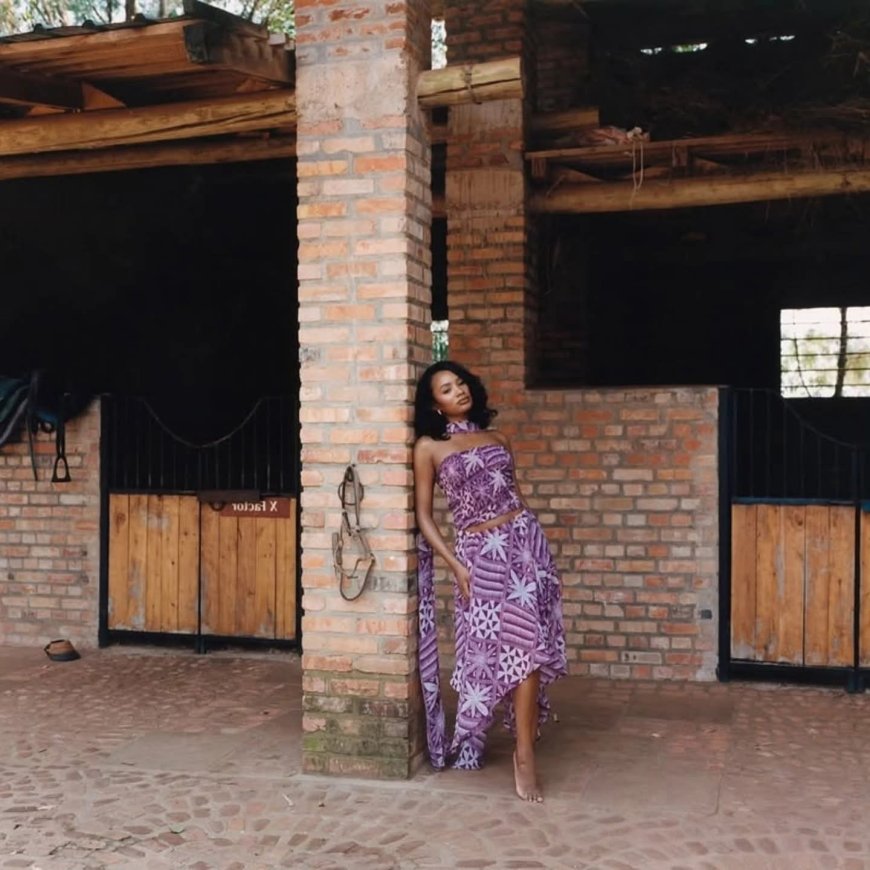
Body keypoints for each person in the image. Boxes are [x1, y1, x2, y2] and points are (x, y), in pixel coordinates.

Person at [413, 360, 567, 802]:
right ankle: (501, 736)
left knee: (529, 646)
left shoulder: (499, 438)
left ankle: (524, 753)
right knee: (496, 649)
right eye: (446, 388)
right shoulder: (429, 447)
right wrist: (455, 565)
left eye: (460, 383)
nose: (458, 391)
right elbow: (424, 516)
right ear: (434, 404)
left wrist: (538, 553)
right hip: (478, 556)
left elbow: (517, 498)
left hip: (525, 547)